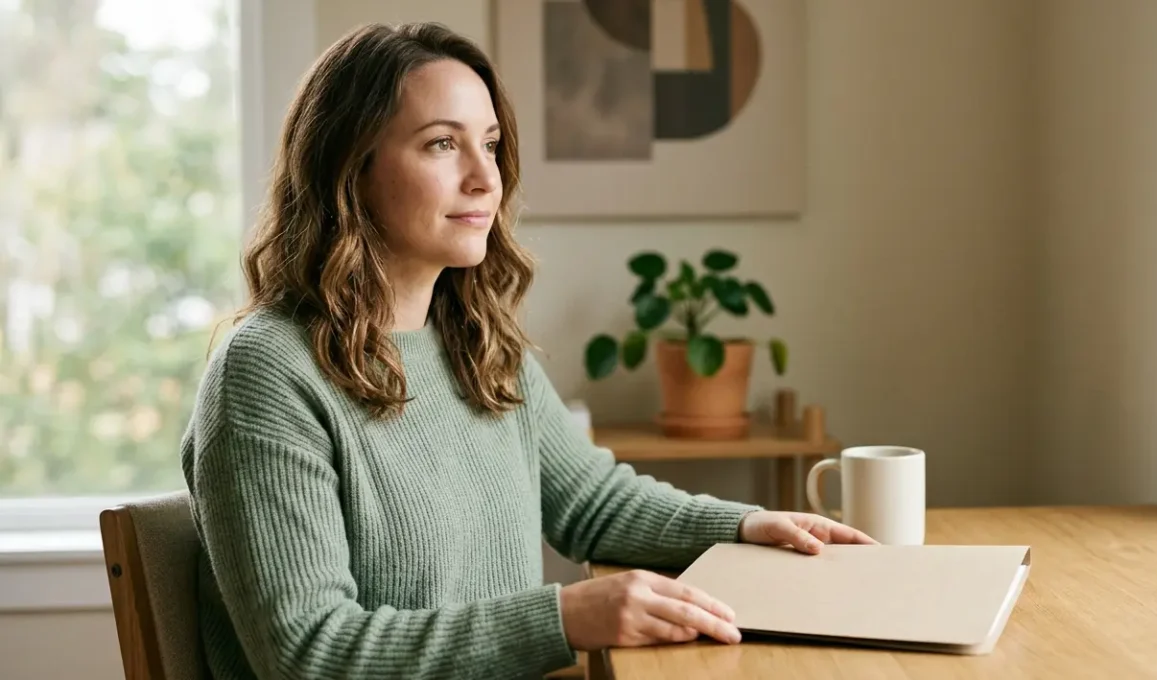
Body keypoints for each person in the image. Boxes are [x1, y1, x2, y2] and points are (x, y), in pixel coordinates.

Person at [182, 21, 875, 680]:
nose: (486, 179)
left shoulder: (476, 344)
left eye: (488, 144)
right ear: (350, 170)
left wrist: (751, 524)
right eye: (440, 144)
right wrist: (563, 618)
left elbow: (595, 503)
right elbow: (310, 654)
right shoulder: (267, 372)